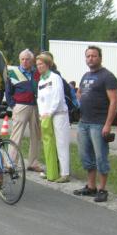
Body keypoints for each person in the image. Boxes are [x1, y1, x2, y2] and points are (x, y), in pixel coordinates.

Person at [74, 46, 117, 202]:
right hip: (84, 122)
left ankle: (102, 189)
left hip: (99, 123)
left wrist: (108, 124)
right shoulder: (86, 76)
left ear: (100, 57)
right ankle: (91, 186)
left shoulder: (107, 76)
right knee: (85, 156)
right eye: (88, 56)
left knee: (101, 157)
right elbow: (79, 93)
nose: (90, 58)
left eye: (93, 56)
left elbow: (114, 101)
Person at [6, 49, 43, 173]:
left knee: (36, 135)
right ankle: (11, 163)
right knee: (16, 135)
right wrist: (13, 105)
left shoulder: (36, 73)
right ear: (19, 60)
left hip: (35, 105)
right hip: (21, 105)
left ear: (31, 60)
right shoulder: (13, 72)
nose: (25, 61)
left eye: (27, 59)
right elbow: (8, 90)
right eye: (22, 59)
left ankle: (33, 162)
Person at [35, 53, 70, 183]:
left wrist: (50, 112)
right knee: (48, 143)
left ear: (48, 64)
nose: (39, 67)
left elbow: (58, 96)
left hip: (59, 114)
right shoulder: (41, 81)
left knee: (61, 143)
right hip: (46, 116)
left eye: (41, 64)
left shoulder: (55, 77)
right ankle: (52, 170)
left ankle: (65, 173)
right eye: (37, 65)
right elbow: (40, 99)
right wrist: (42, 113)